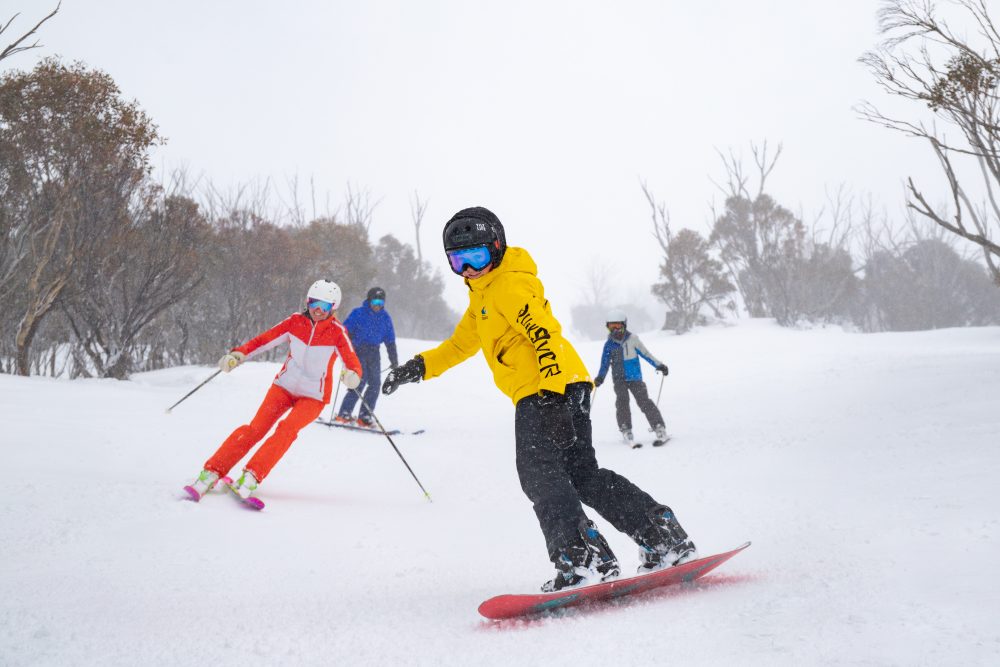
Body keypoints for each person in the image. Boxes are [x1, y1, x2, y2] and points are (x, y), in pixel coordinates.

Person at [381, 206, 696, 591]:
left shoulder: (510, 286)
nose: (469, 269)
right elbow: (458, 346)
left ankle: (581, 559)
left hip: (545, 389)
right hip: (568, 384)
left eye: (476, 256)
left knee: (540, 474)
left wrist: (550, 396)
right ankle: (660, 534)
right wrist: (415, 368)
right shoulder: (482, 298)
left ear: (496, 248)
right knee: (583, 475)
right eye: (458, 260)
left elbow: (543, 334)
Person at [183, 279, 362, 503]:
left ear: (333, 309)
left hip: (313, 397)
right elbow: (264, 340)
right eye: (314, 303)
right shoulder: (295, 322)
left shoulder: (337, 332)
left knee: (286, 430)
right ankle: (212, 472)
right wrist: (238, 354)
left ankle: (251, 476)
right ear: (307, 302)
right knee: (255, 428)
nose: (317, 310)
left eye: (324, 307)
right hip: (284, 387)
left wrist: (353, 373)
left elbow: (351, 360)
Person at [593, 311, 671, 447]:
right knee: (622, 403)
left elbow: (646, 354)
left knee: (644, 402)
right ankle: (626, 429)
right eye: (611, 327)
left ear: (624, 325)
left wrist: (659, 365)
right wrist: (600, 377)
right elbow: (604, 364)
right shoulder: (609, 345)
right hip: (619, 380)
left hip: (635, 378)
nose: (614, 329)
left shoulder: (633, 339)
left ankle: (659, 427)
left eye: (617, 326)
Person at [334, 286, 399, 427]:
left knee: (375, 384)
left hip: (374, 352)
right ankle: (344, 413)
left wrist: (394, 360)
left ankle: (364, 417)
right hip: (358, 350)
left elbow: (390, 340)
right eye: (375, 302)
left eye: (381, 303)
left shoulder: (385, 318)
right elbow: (345, 331)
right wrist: (346, 347)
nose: (377, 305)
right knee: (359, 382)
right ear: (369, 300)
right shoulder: (358, 313)